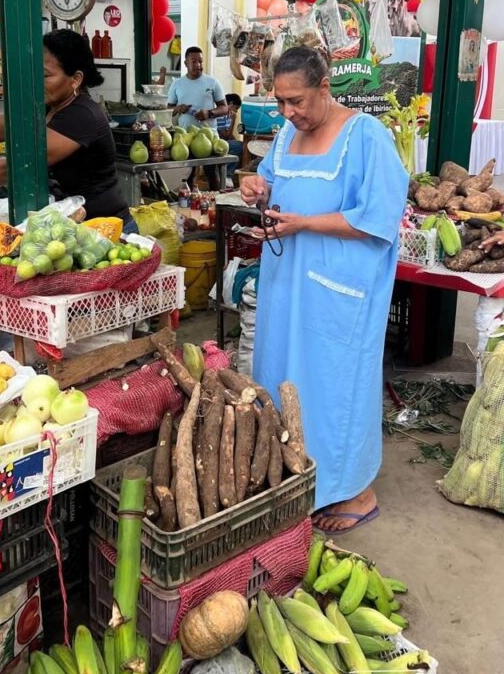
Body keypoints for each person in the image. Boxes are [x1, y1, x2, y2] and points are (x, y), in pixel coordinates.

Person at [240, 46, 408, 534]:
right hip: (287, 284)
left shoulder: (365, 138)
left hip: (339, 289)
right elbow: (272, 184)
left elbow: (379, 220)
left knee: (336, 385)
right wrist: (258, 187)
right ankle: (300, 478)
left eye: (297, 101)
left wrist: (304, 224)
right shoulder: (287, 135)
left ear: (325, 88)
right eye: (281, 103)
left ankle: (354, 489)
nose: (289, 113)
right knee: (284, 375)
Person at [0, 29, 135, 227]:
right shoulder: (47, 108)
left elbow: (16, 166)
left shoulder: (82, 115)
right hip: (74, 225)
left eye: (45, 76)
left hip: (107, 230)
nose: (36, 82)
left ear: (76, 79)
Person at [167, 46, 228, 188]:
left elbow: (224, 108)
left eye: (200, 61)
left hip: (210, 137)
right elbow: (168, 109)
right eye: (194, 62)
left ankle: (217, 204)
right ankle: (188, 205)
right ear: (186, 63)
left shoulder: (213, 82)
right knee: (188, 175)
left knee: (212, 175)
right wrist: (178, 108)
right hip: (186, 138)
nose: (198, 65)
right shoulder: (177, 84)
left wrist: (209, 113)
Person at [217, 93, 243, 174]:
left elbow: (229, 135)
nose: (236, 111)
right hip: (217, 143)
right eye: (236, 108)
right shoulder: (220, 115)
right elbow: (226, 136)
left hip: (222, 142)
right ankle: (225, 174)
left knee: (242, 146)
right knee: (240, 146)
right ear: (230, 104)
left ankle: (228, 173)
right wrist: (233, 120)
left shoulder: (226, 115)